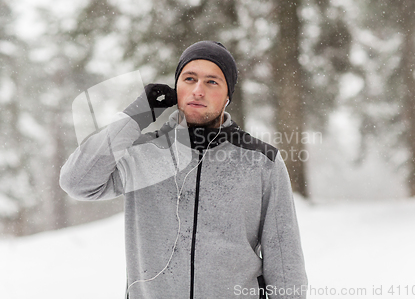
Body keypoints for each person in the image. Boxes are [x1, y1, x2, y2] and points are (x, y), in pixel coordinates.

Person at [59, 41, 307, 298]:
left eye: (212, 82)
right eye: (189, 79)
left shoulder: (261, 161)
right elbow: (77, 182)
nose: (198, 90)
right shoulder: (142, 153)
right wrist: (136, 116)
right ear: (177, 88)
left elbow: (285, 263)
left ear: (228, 96)